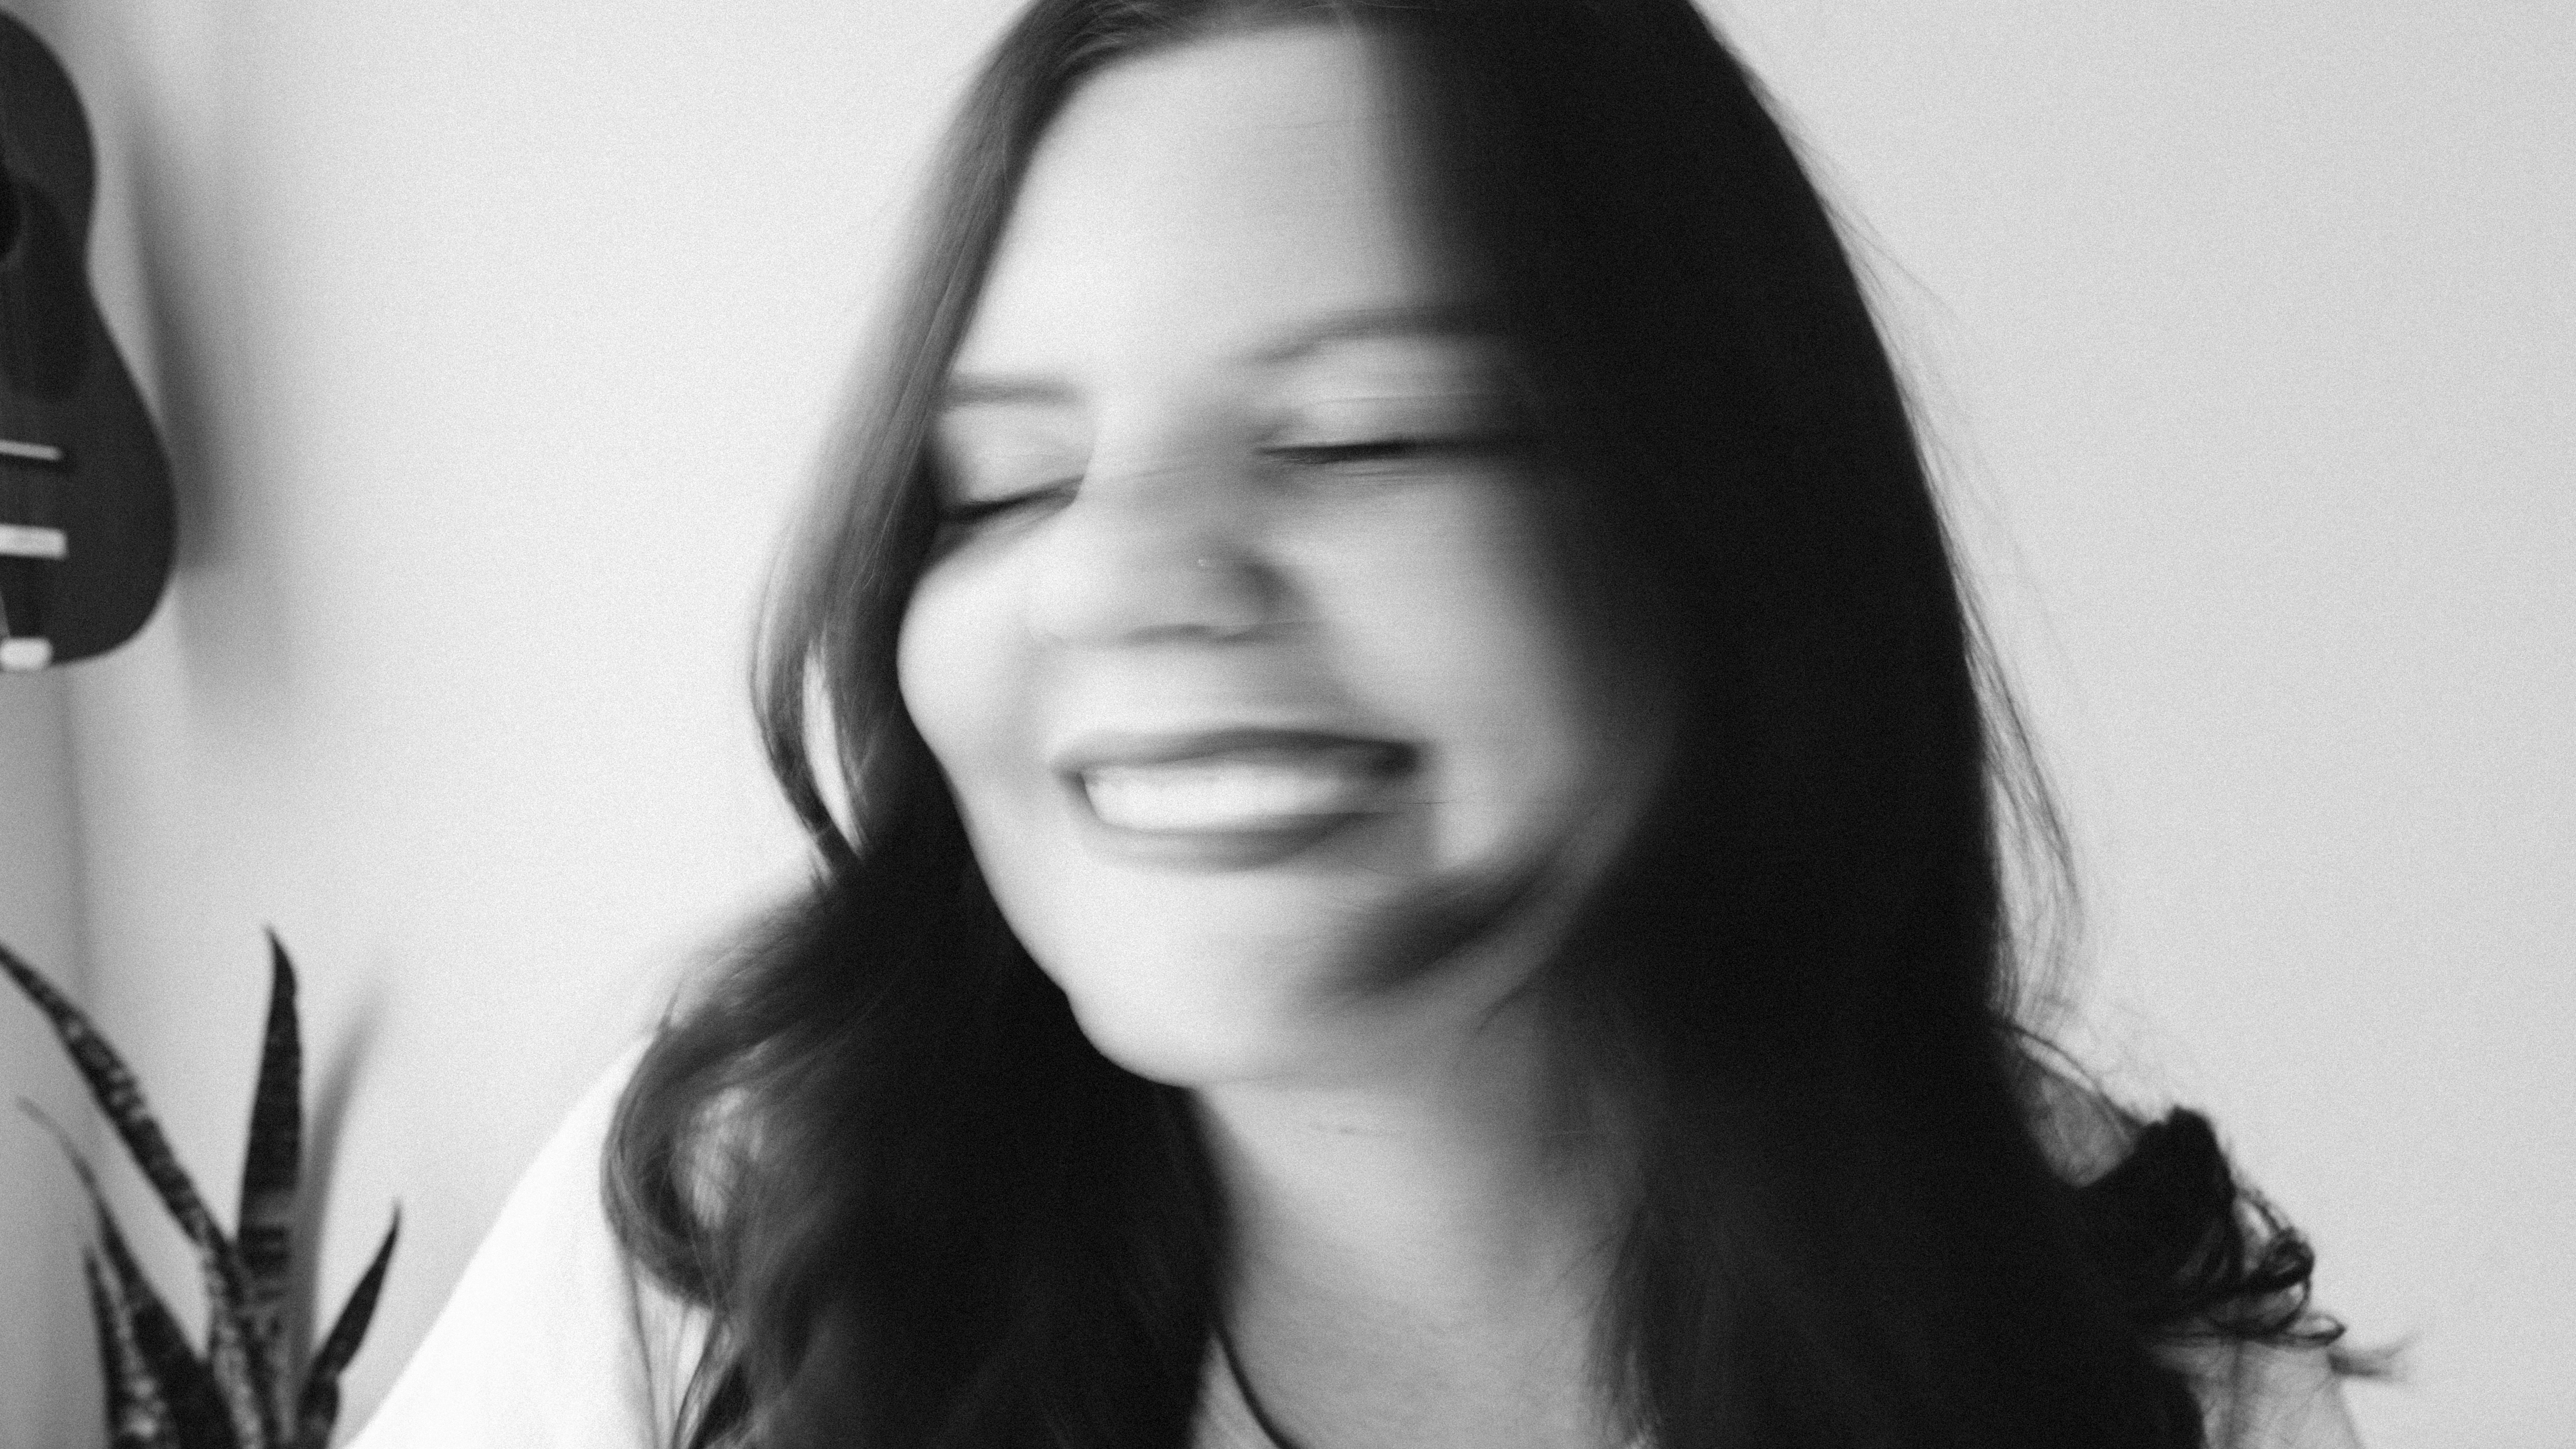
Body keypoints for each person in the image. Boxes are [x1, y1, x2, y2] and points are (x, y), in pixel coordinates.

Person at [351, 1, 2369, 1446]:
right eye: (997, 482)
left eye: (1358, 436)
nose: (1115, 577)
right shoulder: (733, 1241)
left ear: (1732, 530)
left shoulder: (2107, 1341)